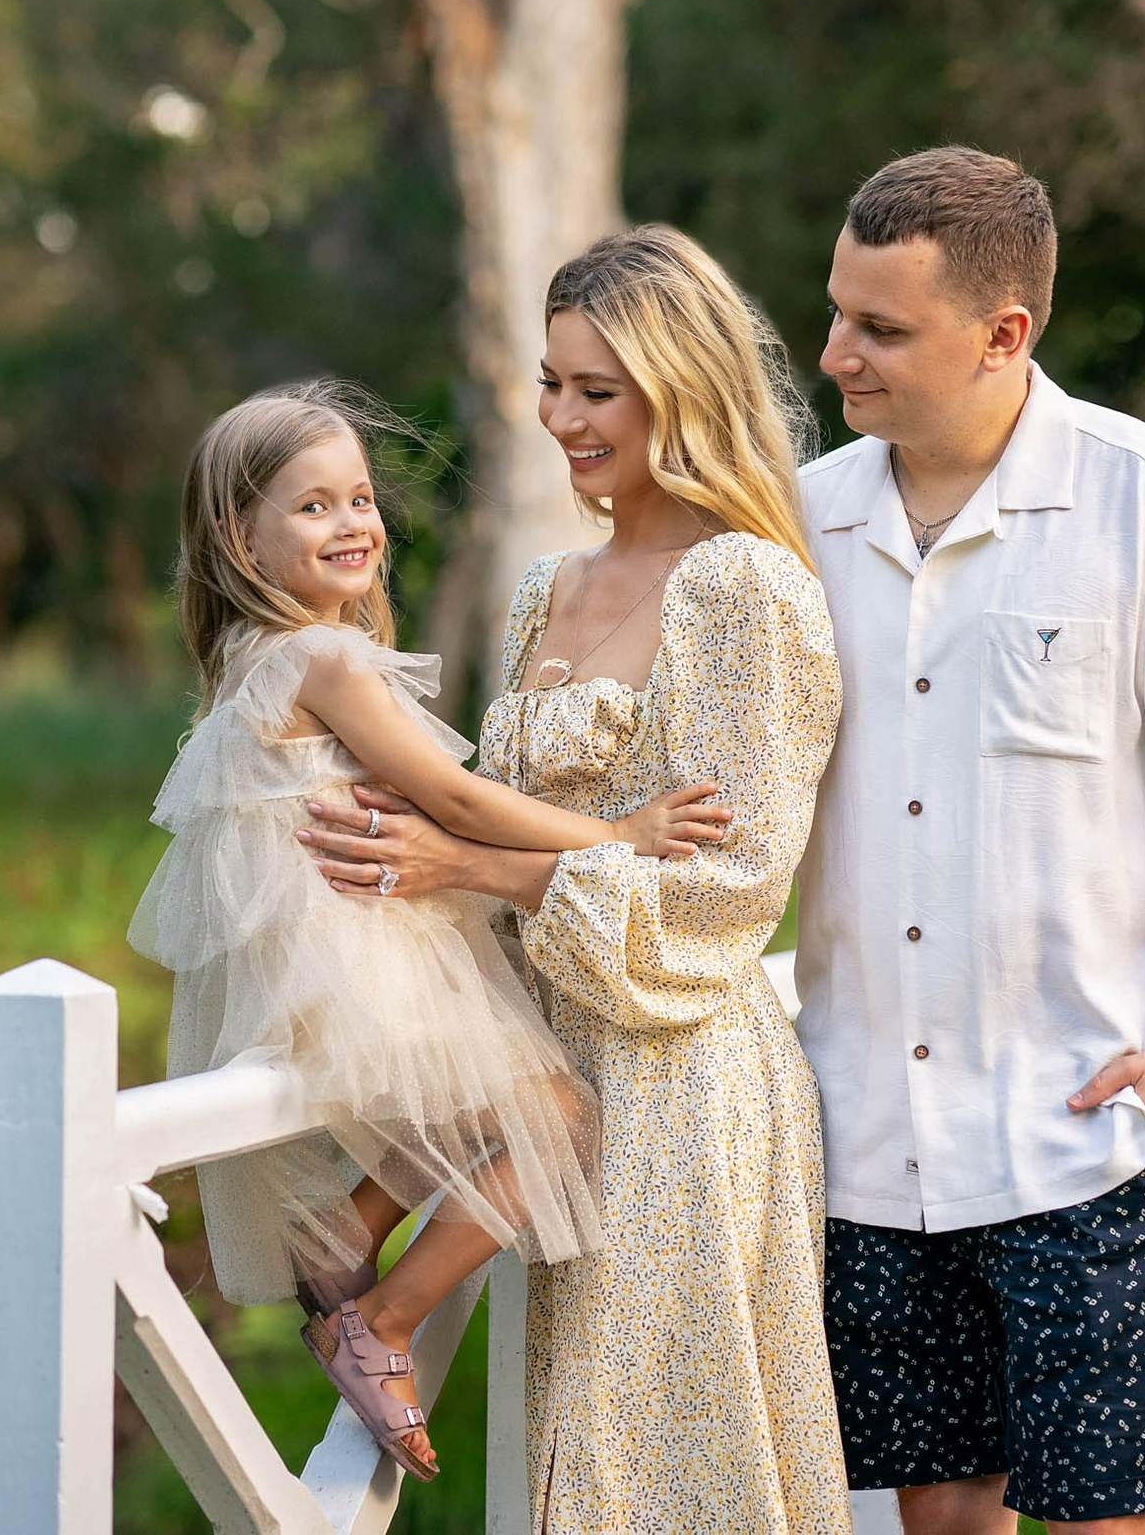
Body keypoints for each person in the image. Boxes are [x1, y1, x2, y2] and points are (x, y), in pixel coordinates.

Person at [797, 146, 1145, 1534]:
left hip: (1080, 1136)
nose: (834, 351)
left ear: (1005, 333)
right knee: (939, 1522)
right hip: (865, 1144)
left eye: (881, 327)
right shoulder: (800, 524)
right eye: (840, 309)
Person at [300, 228, 855, 1534]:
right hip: (543, 1065)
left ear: (681, 388)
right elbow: (479, 825)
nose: (560, 419)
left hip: (680, 1078)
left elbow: (726, 892)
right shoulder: (544, 586)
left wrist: (472, 862)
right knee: (574, 1445)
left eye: (594, 390)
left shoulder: (746, 589)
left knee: (661, 1454)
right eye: (550, 385)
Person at [130, 382, 729, 1481]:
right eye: (313, 506)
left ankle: (342, 1233)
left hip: (317, 955)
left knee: (471, 1121)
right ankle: (385, 1316)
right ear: (237, 534)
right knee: (557, 1118)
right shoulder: (327, 660)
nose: (354, 523)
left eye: (359, 498)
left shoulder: (250, 660)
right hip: (365, 947)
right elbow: (456, 802)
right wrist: (619, 833)